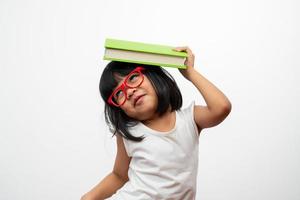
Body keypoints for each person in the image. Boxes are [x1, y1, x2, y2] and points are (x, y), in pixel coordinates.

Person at [81, 46, 232, 200]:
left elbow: (221, 108)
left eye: (133, 77)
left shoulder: (188, 120)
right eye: (119, 93)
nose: (129, 91)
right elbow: (119, 175)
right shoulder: (130, 133)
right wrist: (89, 197)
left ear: (153, 76)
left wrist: (190, 72)